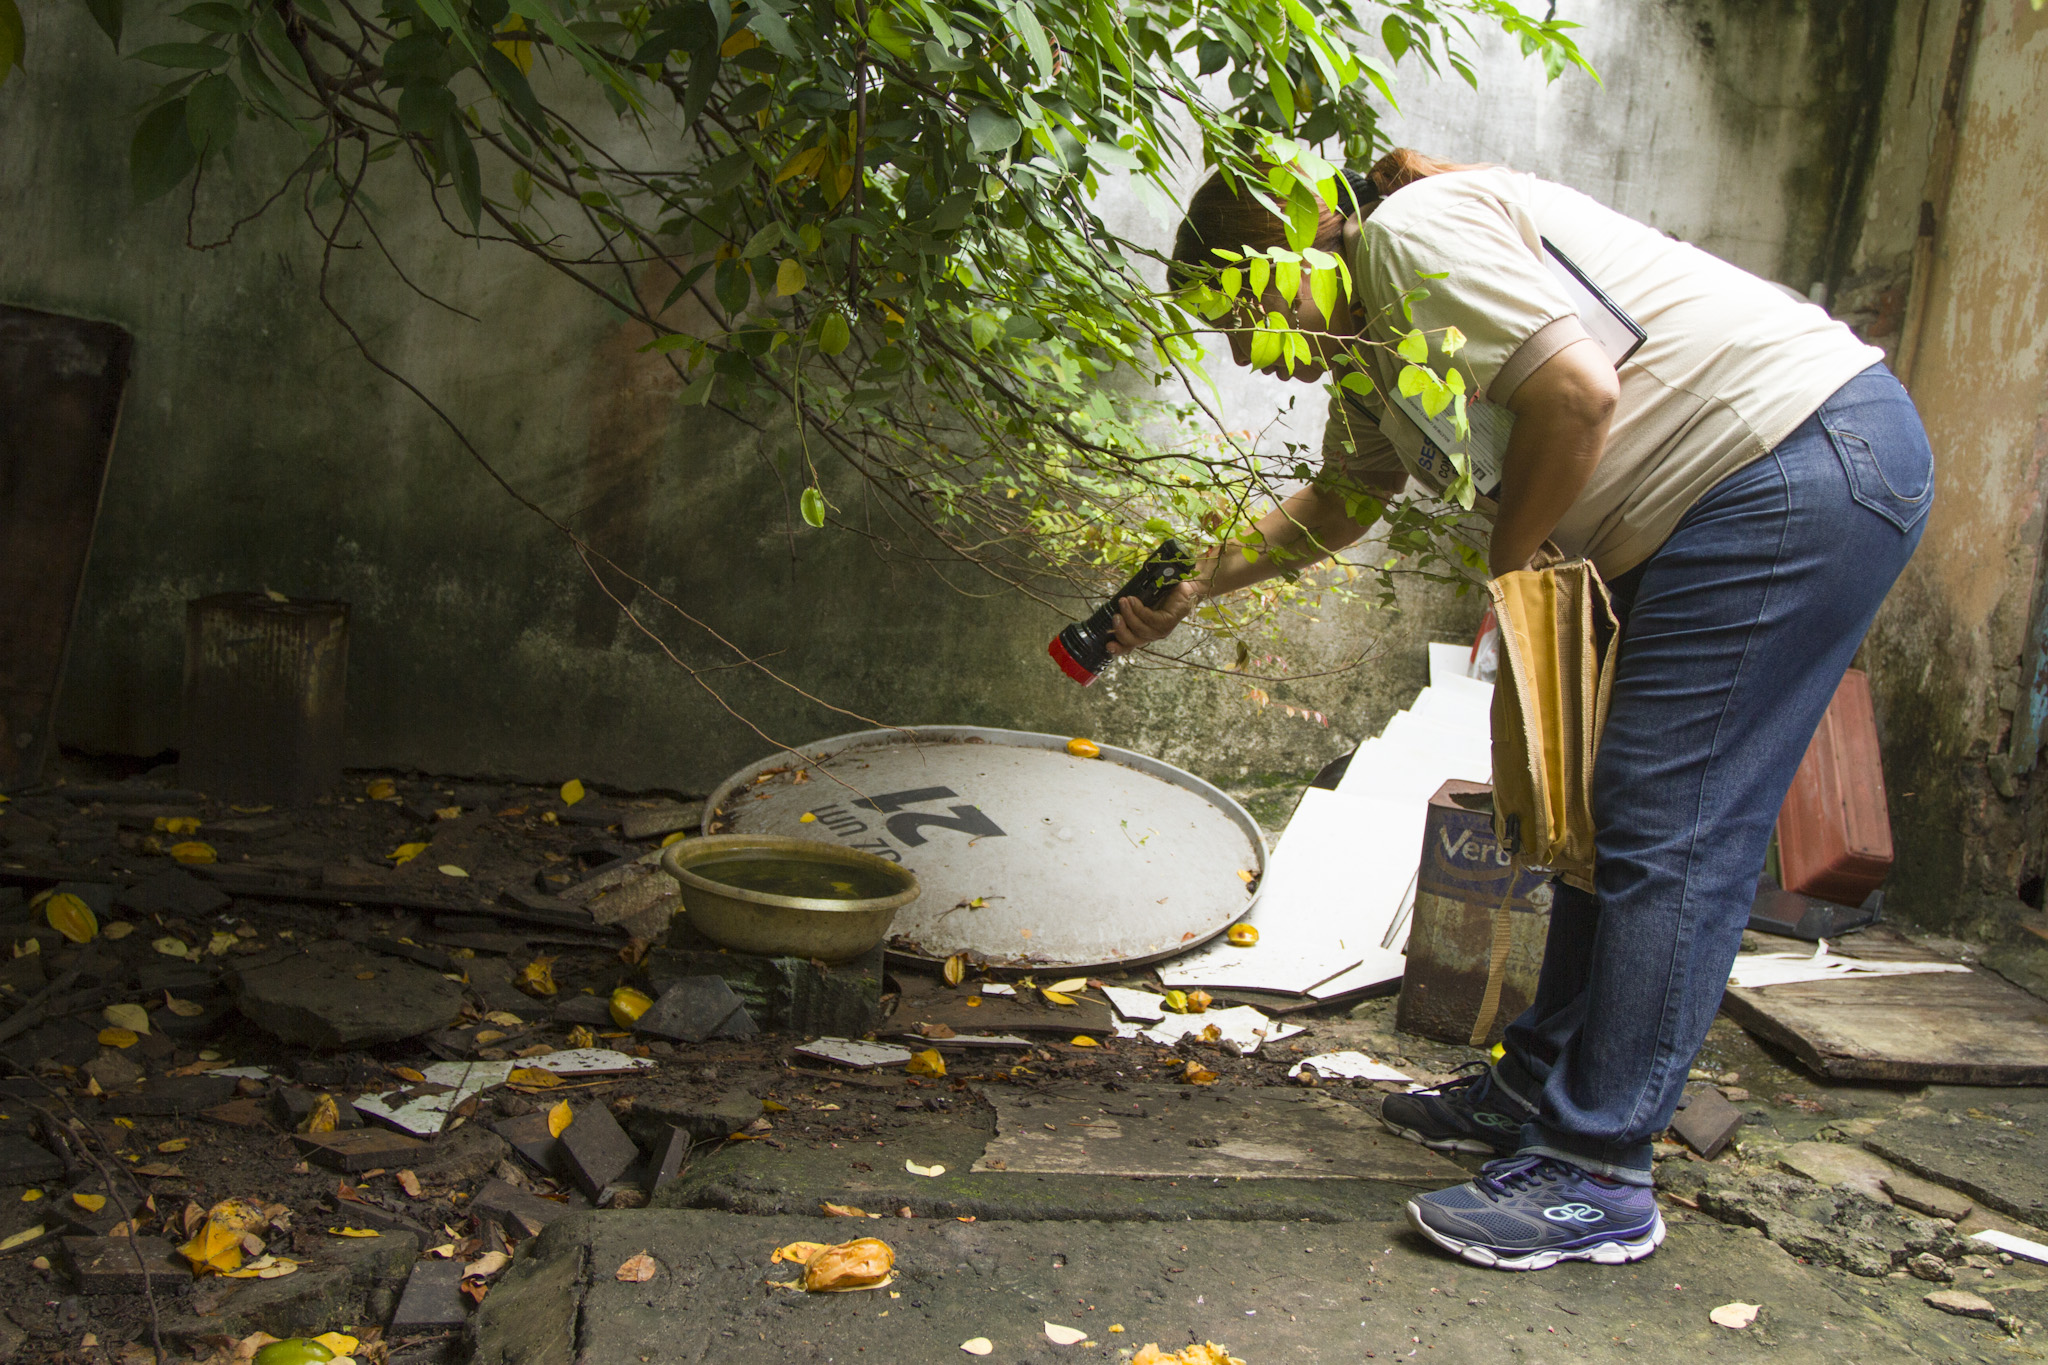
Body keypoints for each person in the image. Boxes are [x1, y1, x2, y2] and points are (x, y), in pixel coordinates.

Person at [1127, 149, 1933, 1271]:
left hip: (1792, 466)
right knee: (1602, 816)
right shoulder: (1373, 352)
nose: (1244, 351)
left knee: (1669, 824)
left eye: (1243, 310)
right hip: (1715, 500)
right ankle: (1534, 1090)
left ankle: (1599, 1172)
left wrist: (1515, 577)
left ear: (1299, 245)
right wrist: (1194, 583)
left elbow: (1574, 392)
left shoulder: (1404, 236)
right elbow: (1345, 498)